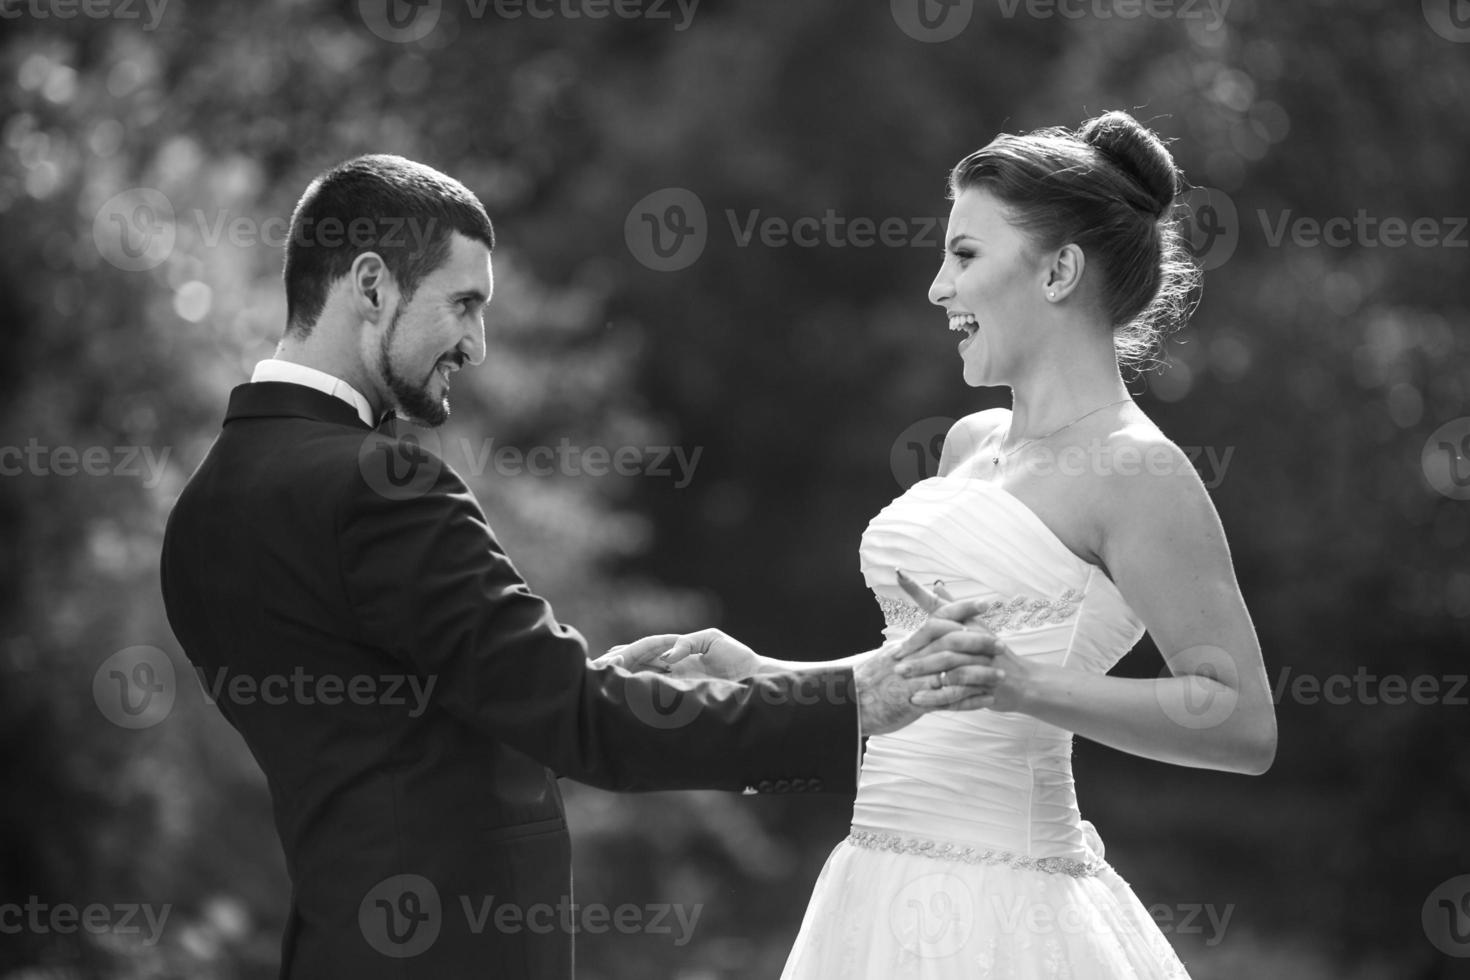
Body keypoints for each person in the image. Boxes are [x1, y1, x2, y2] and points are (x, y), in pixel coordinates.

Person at [157, 154, 1004, 979]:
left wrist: (545, 689)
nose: (477, 344)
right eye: (463, 304)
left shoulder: (201, 513)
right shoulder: (383, 487)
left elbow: (381, 727)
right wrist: (858, 699)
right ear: (372, 285)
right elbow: (584, 720)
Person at [622, 111, 1278, 977]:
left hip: (1009, 917)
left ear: (1061, 271)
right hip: (870, 896)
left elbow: (1241, 720)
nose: (937, 287)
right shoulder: (970, 440)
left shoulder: (1139, 472)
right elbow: (924, 670)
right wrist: (766, 681)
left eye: (964, 255)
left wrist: (1027, 684)